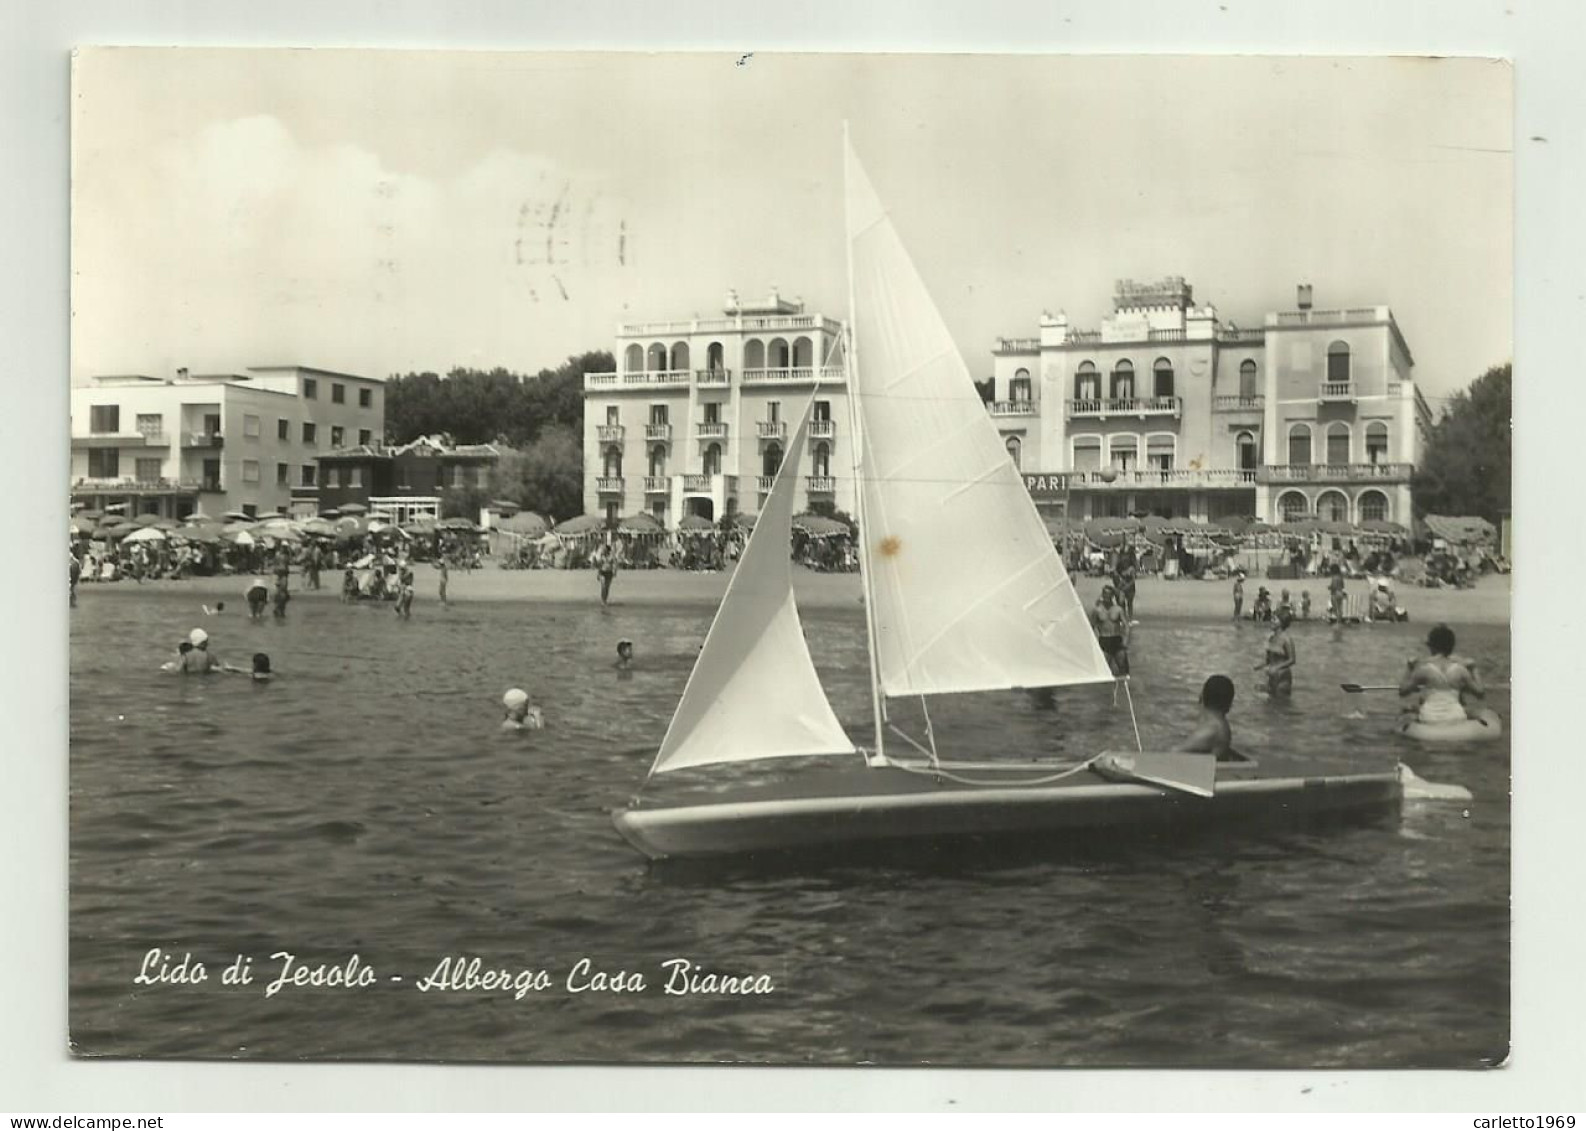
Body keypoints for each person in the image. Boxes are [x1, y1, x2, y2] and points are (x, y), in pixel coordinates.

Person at [1399, 624, 1486, 722]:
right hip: (1456, 716)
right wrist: (1474, 669)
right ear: (1451, 646)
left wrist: (1409, 668)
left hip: (1429, 717)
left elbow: (1402, 691)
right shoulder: (1461, 670)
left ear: (1432, 646)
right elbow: (1480, 693)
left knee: (1409, 709)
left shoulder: (1424, 669)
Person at [1175, 675, 1235, 758]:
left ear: (1201, 698)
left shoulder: (1212, 731)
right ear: (1229, 703)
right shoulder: (1221, 726)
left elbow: (1171, 756)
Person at [1090, 584, 1130, 677]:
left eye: (1109, 594)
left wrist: (1125, 641)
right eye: (1105, 594)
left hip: (1117, 640)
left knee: (1124, 671)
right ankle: (1104, 690)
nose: (1107, 596)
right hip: (1104, 641)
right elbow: (1091, 627)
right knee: (1103, 671)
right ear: (1102, 595)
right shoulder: (1097, 610)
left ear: (1112, 596)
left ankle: (1122, 689)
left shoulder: (1118, 609)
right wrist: (1093, 644)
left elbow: (1126, 626)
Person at [1256, 609, 1296, 696]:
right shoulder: (1271, 638)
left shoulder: (1287, 639)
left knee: (1281, 703)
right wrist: (1260, 665)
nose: (1271, 621)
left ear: (1282, 622)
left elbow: (1292, 659)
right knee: (1269, 704)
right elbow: (1270, 659)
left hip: (1283, 676)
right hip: (1272, 675)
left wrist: (1276, 667)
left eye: (1274, 619)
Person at [595, 540, 618, 606]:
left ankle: (605, 600)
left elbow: (615, 564)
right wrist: (598, 574)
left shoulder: (612, 557)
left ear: (608, 550)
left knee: (607, 587)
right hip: (603, 572)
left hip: (609, 573)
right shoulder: (601, 557)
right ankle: (602, 600)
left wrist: (615, 572)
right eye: (603, 550)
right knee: (603, 586)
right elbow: (599, 566)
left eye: (604, 550)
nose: (603, 551)